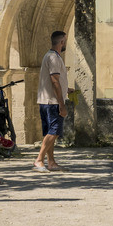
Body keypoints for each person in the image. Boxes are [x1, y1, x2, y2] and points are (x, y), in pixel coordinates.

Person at [35, 30, 68, 171]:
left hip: (45, 101)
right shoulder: (54, 58)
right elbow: (55, 81)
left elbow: (54, 81)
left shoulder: (49, 56)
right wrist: (62, 104)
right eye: (65, 40)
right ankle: (39, 159)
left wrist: (67, 89)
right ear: (61, 42)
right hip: (52, 102)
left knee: (50, 132)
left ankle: (51, 162)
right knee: (54, 132)